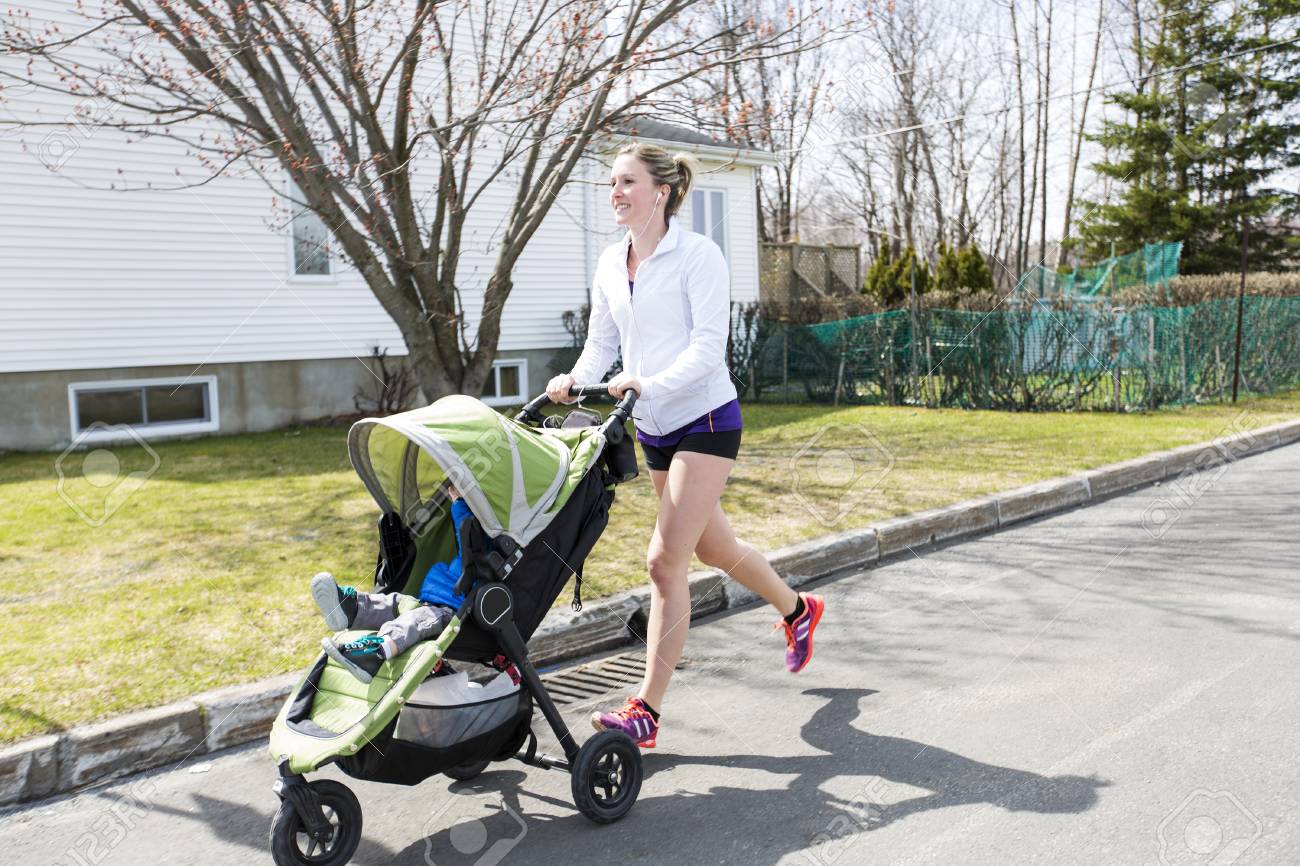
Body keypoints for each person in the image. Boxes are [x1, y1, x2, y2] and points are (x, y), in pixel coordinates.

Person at [546, 142, 825, 749]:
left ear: (662, 192)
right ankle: (798, 610)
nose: (616, 193)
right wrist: (571, 380)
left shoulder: (698, 255)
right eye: (612, 183)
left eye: (627, 182)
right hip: (653, 426)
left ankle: (646, 710)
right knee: (715, 548)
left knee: (663, 563)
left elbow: (705, 351)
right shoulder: (610, 262)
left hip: (706, 418)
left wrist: (646, 383)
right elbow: (601, 345)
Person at [310, 488, 478, 683]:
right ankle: (352, 608)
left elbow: (469, 533)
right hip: (435, 600)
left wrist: (459, 503)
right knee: (396, 603)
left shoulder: (487, 534)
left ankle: (375, 652)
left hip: (454, 611)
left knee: (414, 622)